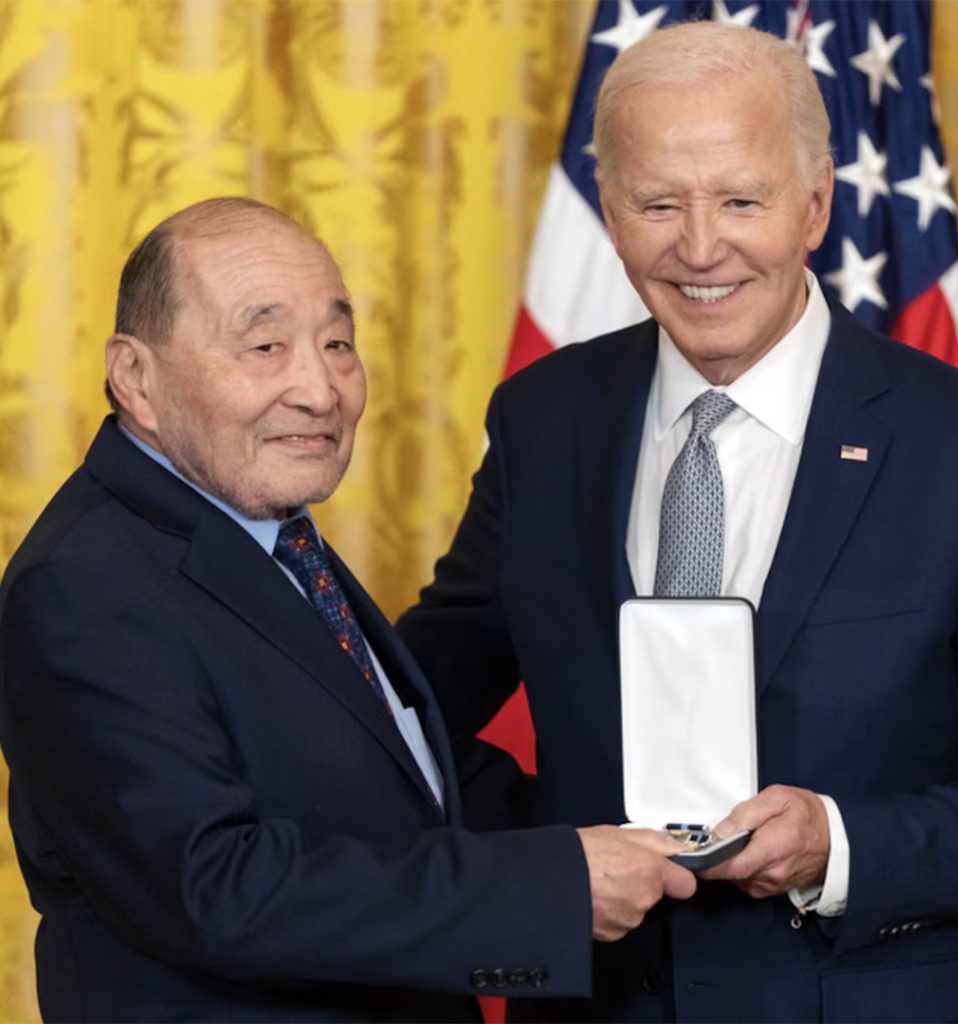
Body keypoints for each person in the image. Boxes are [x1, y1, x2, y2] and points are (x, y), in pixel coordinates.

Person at [397, 21, 958, 1023]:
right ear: (607, 214)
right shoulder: (542, 417)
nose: (699, 247)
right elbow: (412, 707)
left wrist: (839, 842)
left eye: (740, 199)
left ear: (815, 202)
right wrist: (544, 849)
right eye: (657, 203)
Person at [0, 197, 697, 1023]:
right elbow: (217, 889)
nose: (320, 388)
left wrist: (663, 831)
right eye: (264, 346)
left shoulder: (264, 529)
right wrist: (556, 888)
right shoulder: (86, 584)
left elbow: (392, 777)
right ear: (136, 377)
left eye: (337, 343)